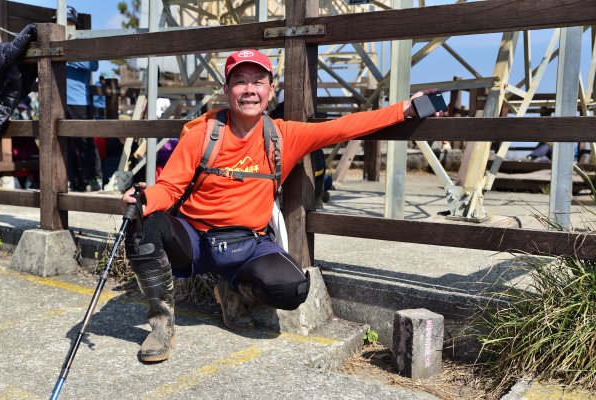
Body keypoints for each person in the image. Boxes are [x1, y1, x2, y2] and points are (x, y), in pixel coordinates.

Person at [122, 49, 446, 363]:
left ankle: (230, 289)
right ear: (227, 90)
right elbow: (169, 187)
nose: (249, 89)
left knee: (293, 289)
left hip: (247, 245)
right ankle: (161, 326)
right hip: (195, 240)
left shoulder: (283, 136)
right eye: (240, 81)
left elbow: (346, 126)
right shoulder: (201, 135)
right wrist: (146, 199)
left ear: (270, 89)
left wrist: (406, 108)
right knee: (144, 228)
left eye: (258, 81)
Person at [63, 6, 102, 192]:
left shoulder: (82, 40)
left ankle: (93, 179)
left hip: (79, 101)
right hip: (57, 101)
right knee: (62, 143)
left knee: (85, 141)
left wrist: (65, 57)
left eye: (68, 21)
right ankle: (69, 179)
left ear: (74, 23)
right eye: (61, 20)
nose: (64, 24)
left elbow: (93, 64)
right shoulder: (51, 39)